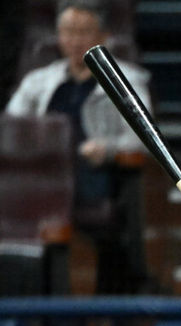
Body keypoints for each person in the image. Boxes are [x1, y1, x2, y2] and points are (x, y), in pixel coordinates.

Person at [5, 0, 151, 295]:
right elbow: (10, 129)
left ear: (104, 36)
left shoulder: (126, 80)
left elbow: (144, 137)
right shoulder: (38, 81)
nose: (74, 40)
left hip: (92, 176)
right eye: (68, 31)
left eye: (84, 31)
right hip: (42, 177)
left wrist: (108, 149)